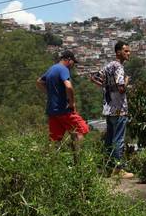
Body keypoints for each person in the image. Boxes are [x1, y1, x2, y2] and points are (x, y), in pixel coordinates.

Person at [91, 41, 133, 177]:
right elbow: (121, 88)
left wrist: (106, 86)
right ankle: (118, 169)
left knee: (109, 139)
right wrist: (126, 81)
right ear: (118, 52)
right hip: (119, 109)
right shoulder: (119, 67)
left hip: (108, 109)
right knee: (119, 139)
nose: (128, 53)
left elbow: (93, 78)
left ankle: (107, 168)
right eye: (126, 51)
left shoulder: (109, 66)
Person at [36, 50, 89, 149]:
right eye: (73, 62)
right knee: (82, 129)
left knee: (55, 140)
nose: (73, 65)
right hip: (63, 110)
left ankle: (52, 160)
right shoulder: (63, 69)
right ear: (69, 60)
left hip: (52, 110)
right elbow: (69, 87)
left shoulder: (52, 68)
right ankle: (79, 158)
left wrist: (50, 93)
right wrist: (72, 104)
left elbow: (39, 82)